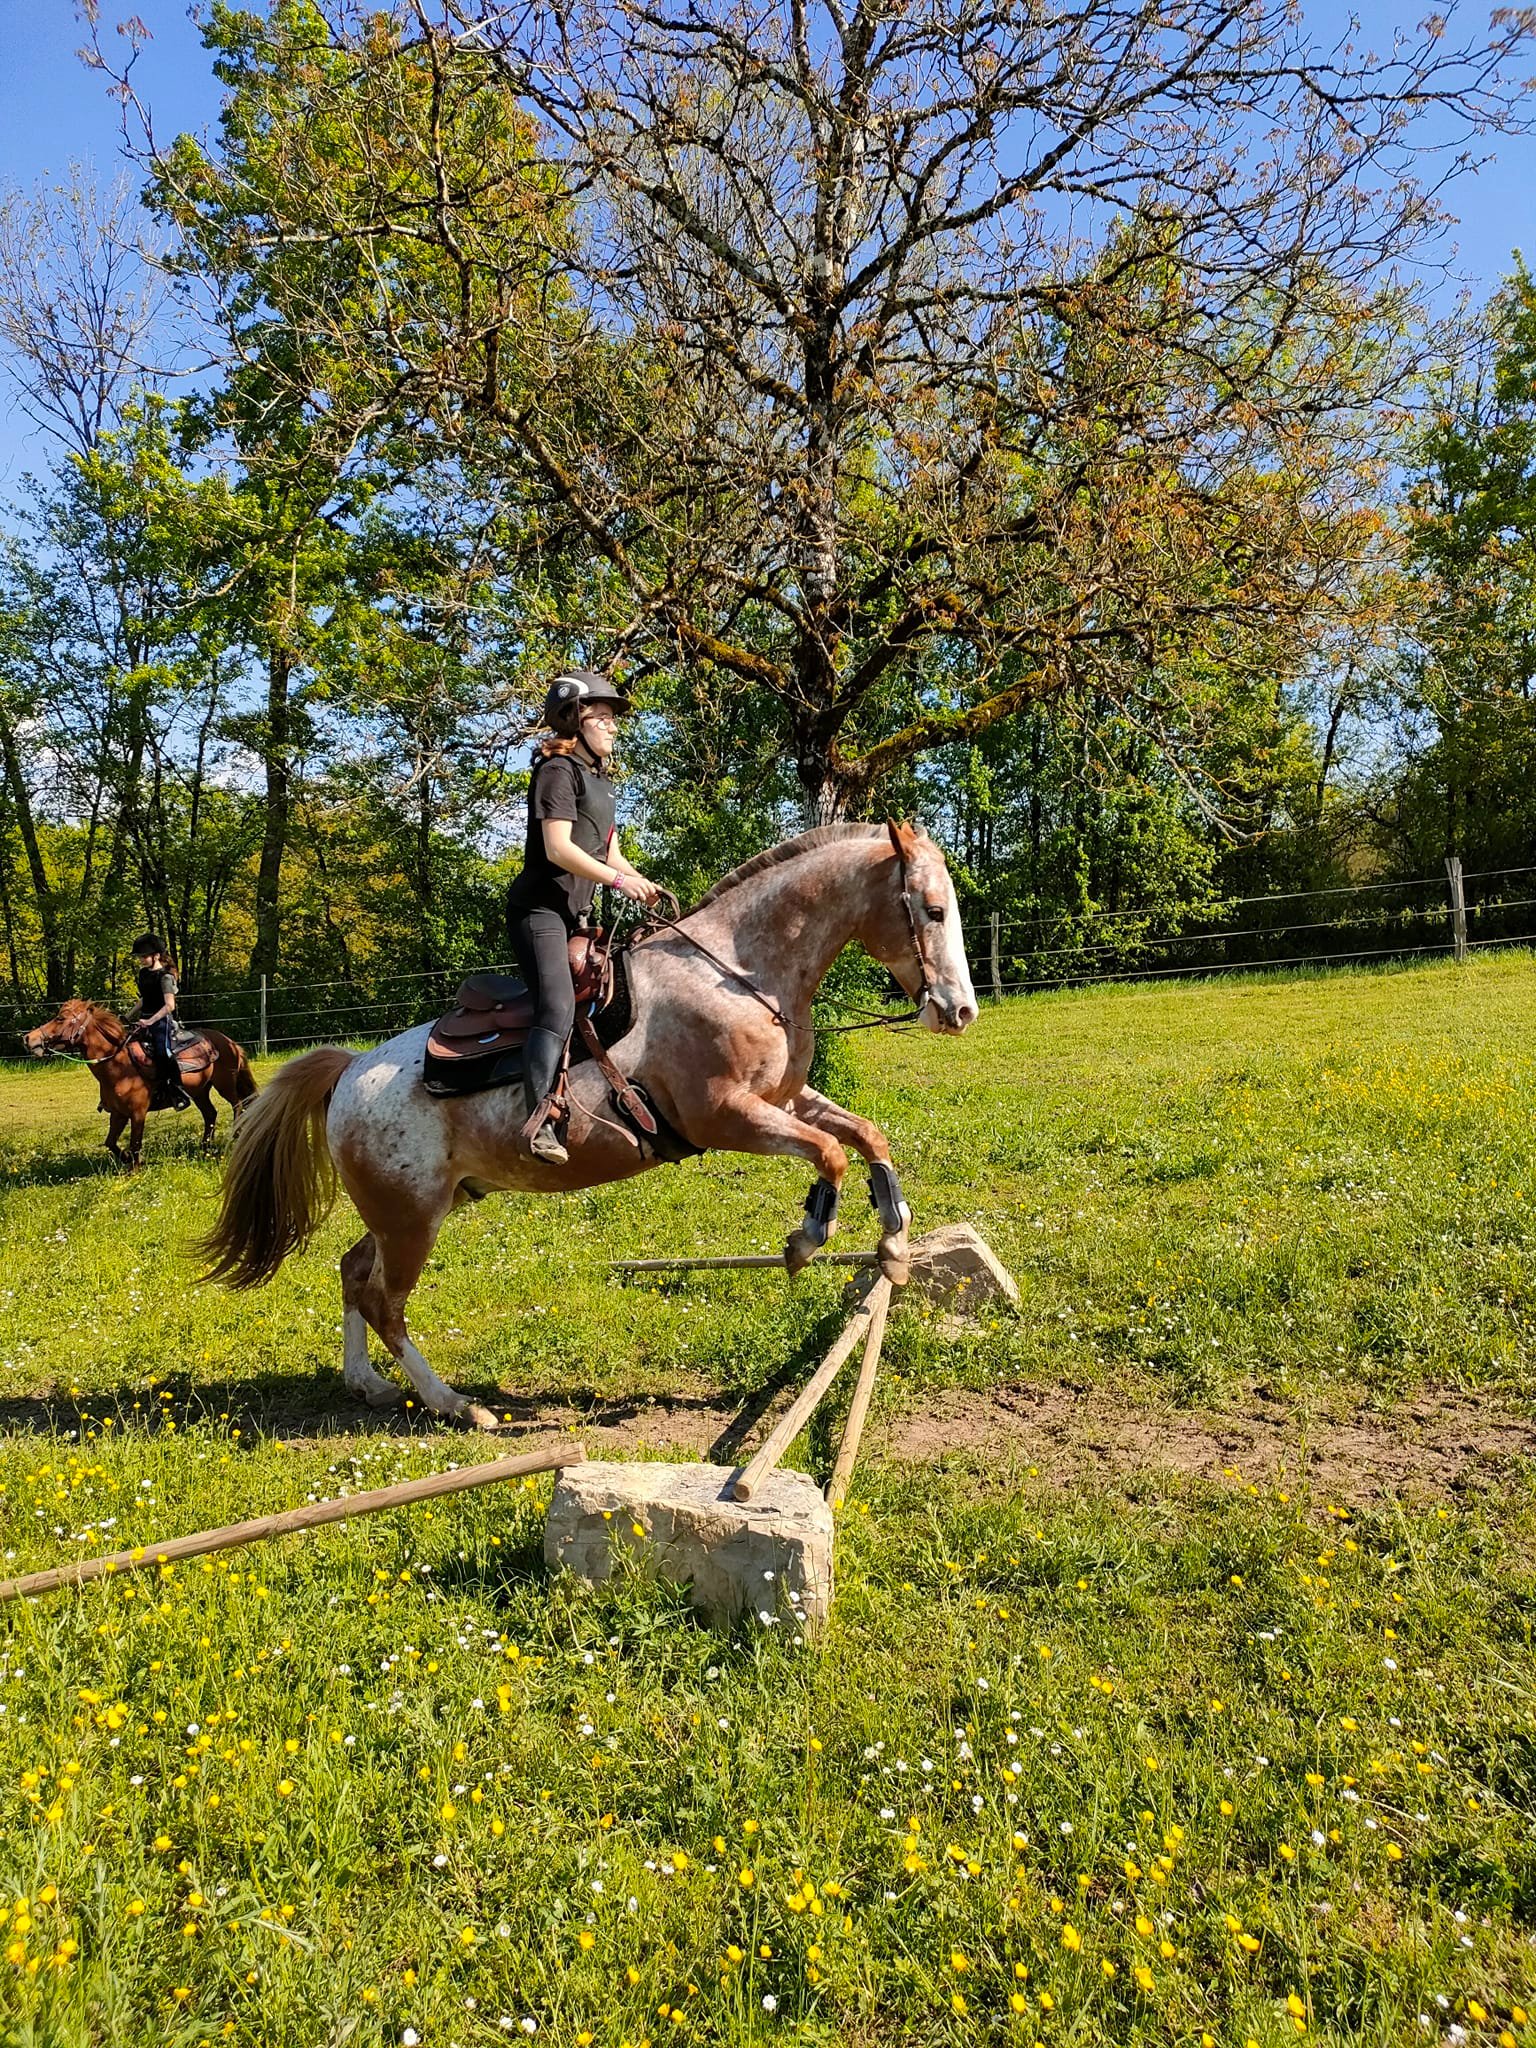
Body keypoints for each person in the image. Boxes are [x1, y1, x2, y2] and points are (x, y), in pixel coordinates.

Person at [505, 671, 661, 1163]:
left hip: (579, 917)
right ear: (576, 718)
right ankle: (538, 1123)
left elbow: (610, 853)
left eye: (614, 719)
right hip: (540, 912)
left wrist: (641, 882)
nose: (614, 727)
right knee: (556, 1007)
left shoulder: (601, 782)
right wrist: (619, 883)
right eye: (605, 717)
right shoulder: (557, 771)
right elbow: (557, 849)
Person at [129, 933, 191, 1110]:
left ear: (156, 956)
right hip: (144, 1020)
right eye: (139, 957)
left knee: (163, 1053)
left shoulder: (165, 977)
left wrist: (150, 1021)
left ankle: (177, 1092)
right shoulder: (143, 974)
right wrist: (128, 1015)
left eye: (143, 956)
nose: (141, 960)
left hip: (161, 1022)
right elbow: (144, 999)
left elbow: (170, 1005)